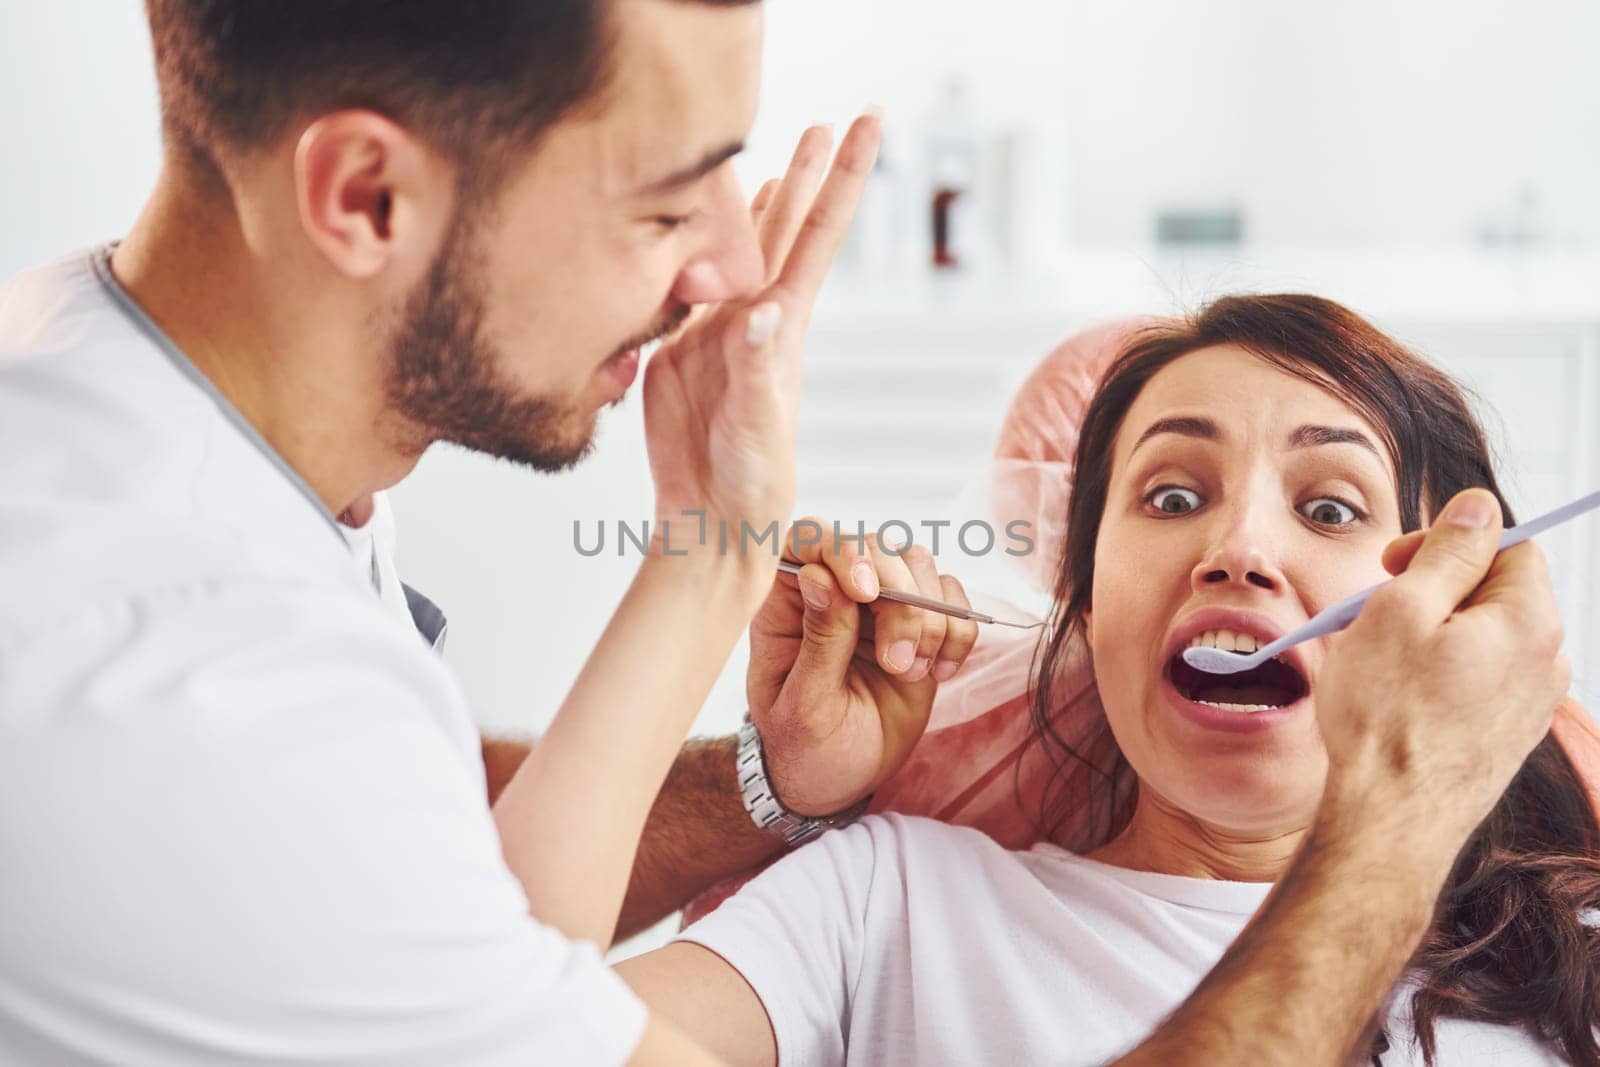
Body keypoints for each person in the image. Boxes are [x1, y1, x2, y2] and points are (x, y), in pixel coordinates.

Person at [0, 0, 1571, 1061]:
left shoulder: (137, 402)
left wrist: (714, 553)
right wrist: (1398, 818)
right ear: (361, 197)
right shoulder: (163, 700)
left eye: (1329, 499)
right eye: (668, 200)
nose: (728, 267)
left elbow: (449, 911)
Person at [617, 295, 1598, 1065]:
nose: (1239, 548)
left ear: (1454, 603)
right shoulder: (882, 905)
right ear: (1086, 603)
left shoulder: (1573, 957)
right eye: (1171, 494)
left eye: (1331, 509)